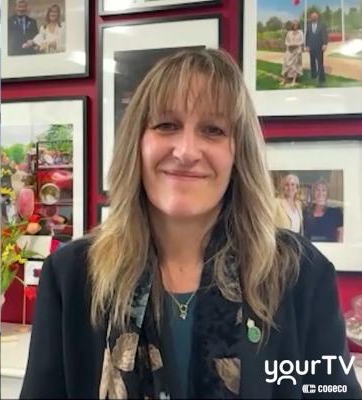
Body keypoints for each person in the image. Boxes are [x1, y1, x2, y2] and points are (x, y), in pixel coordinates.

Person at [20, 49, 361, 399]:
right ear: (137, 142)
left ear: (238, 153)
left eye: (213, 130)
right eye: (166, 125)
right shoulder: (72, 275)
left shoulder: (299, 272)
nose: (185, 152)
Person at [305, 12, 328, 85]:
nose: (314, 17)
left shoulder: (322, 25)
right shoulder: (308, 26)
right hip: (311, 47)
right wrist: (307, 46)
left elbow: (325, 35)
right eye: (312, 16)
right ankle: (313, 75)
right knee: (312, 62)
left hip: (319, 47)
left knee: (320, 62)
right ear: (311, 17)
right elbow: (307, 36)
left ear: (317, 17)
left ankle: (321, 78)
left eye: (315, 16)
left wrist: (325, 44)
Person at [282, 19, 304, 86]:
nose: (295, 26)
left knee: (295, 66)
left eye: (296, 25)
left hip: (297, 51)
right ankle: (284, 80)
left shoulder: (300, 32)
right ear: (292, 25)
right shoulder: (289, 32)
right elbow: (286, 41)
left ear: (298, 25)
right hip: (289, 50)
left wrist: (296, 44)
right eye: (294, 25)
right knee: (286, 65)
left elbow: (302, 41)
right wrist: (289, 45)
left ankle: (293, 81)